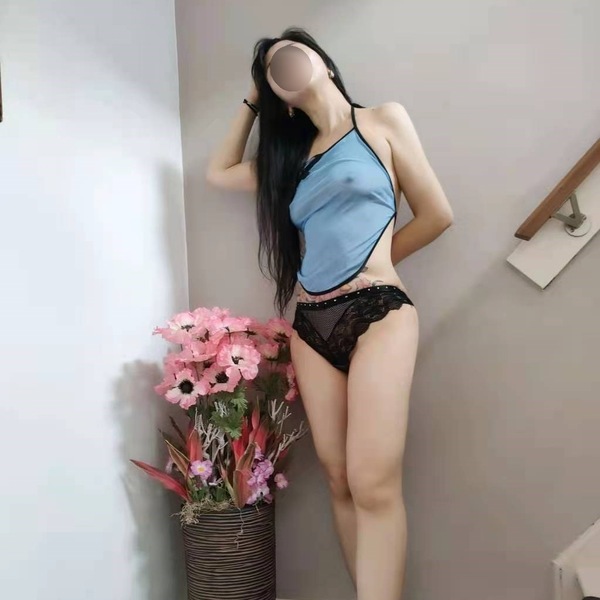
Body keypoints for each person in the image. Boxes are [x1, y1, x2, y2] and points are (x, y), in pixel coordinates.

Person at [206, 26, 453, 600]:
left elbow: (437, 214)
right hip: (310, 325)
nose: (285, 67)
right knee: (340, 480)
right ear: (278, 96)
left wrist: (375, 264)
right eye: (273, 70)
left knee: (372, 481)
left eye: (292, 55)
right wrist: (253, 99)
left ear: (323, 61)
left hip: (378, 310)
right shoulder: (287, 158)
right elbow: (218, 173)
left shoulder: (383, 121)